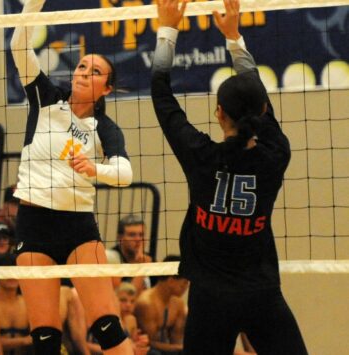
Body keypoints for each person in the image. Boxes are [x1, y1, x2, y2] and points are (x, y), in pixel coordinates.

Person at [152, 1, 308, 354]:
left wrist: (168, 28)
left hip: (210, 297)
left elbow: (161, 96)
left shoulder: (200, 156)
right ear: (264, 111)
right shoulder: (276, 155)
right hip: (261, 292)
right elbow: (257, 96)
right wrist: (234, 37)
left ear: (219, 113)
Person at [11, 1, 133, 353]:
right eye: (81, 66)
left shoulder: (104, 128)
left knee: (108, 327)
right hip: (33, 224)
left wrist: (96, 169)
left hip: (78, 227)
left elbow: (124, 173)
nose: (82, 73)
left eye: (94, 72)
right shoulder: (45, 99)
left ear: (107, 89)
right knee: (46, 338)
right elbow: (18, 45)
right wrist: (33, 4)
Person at [134, 256, 188, 355]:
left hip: (167, 349)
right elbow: (148, 342)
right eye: (184, 283)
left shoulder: (178, 304)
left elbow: (176, 339)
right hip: (145, 350)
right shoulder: (146, 303)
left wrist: (180, 348)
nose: (186, 287)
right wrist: (178, 348)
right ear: (171, 281)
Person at [0, 254, 32, 355]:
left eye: (16, 271)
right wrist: (23, 340)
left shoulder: (27, 303)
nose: (12, 275)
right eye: (7, 271)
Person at [105, 214, 152, 294]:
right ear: (120, 238)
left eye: (141, 235)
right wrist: (142, 268)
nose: (138, 239)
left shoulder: (150, 259)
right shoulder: (110, 258)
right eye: (132, 235)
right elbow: (124, 299)